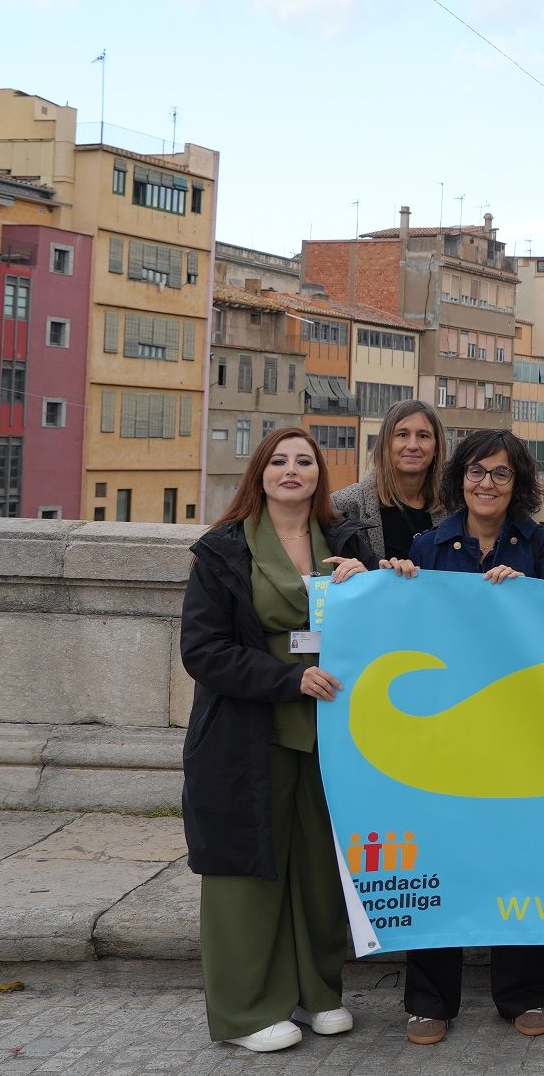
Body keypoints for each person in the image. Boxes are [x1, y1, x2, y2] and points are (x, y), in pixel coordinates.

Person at [180, 426, 377, 1052]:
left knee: (319, 869)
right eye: (279, 461)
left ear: (320, 476)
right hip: (248, 732)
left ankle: (316, 992)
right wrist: (286, 679)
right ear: (260, 474)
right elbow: (203, 651)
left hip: (329, 731)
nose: (292, 470)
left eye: (304, 461)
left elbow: (380, 627)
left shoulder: (345, 543)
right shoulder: (221, 550)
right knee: (247, 871)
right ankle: (244, 1010)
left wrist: (369, 581)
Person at [387, 429, 544, 1045]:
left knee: (520, 858)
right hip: (447, 728)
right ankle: (429, 1001)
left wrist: (528, 600)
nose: (486, 483)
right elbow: (407, 631)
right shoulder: (427, 546)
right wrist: (397, 582)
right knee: (437, 856)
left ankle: (523, 993)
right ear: (458, 478)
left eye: (500, 473)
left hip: (522, 732)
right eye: (475, 471)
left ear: (518, 484)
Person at [330, 399, 444, 562]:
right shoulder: (345, 505)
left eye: (423, 436)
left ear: (436, 447)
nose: (412, 445)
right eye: (402, 435)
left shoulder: (453, 508)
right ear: (386, 444)